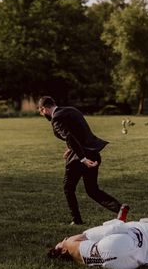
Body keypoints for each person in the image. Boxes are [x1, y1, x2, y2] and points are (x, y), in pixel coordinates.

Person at [38, 96, 122, 225]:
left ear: (44, 109)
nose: (41, 114)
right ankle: (120, 208)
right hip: (93, 153)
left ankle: (76, 220)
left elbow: (70, 137)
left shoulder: (56, 118)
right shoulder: (72, 110)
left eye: (40, 111)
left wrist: (83, 159)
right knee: (92, 190)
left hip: (80, 158)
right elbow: (80, 133)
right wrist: (70, 149)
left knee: (68, 188)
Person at [47, 217, 148, 269]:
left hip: (118, 265)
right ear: (61, 249)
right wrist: (122, 224)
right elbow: (109, 229)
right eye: (58, 243)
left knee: (139, 248)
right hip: (113, 246)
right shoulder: (69, 242)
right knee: (140, 229)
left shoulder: (76, 259)